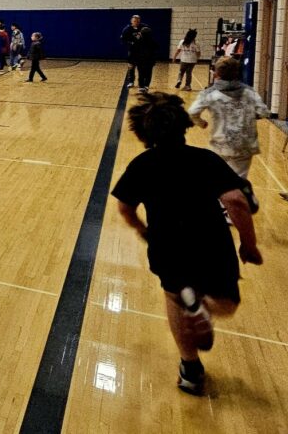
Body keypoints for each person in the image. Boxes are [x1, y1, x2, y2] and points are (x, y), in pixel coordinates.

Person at [111, 91, 262, 396]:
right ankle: (204, 306)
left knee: (175, 296)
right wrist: (249, 244)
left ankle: (190, 369)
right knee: (227, 303)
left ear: (143, 132)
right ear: (183, 125)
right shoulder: (205, 160)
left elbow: (125, 208)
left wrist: (142, 229)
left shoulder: (142, 164)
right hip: (211, 242)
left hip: (166, 245)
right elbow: (236, 201)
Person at [188, 57, 269, 181]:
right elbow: (264, 112)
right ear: (237, 72)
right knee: (239, 180)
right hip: (245, 144)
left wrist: (201, 122)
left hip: (221, 142)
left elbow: (192, 112)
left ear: (216, 73)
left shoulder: (209, 93)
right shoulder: (249, 92)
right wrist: (247, 116)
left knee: (217, 178)